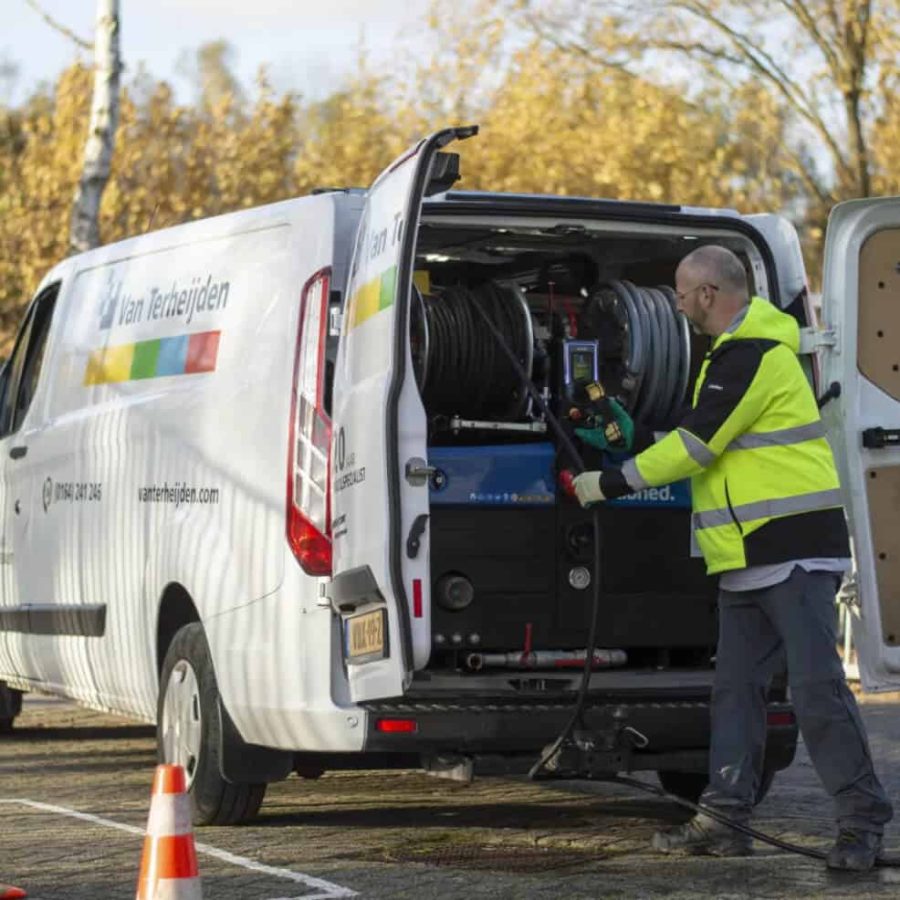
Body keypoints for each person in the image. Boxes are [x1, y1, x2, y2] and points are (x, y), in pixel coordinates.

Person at [572, 245, 893, 872]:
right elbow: (709, 438)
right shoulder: (727, 357)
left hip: (793, 551)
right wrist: (635, 439)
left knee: (817, 692)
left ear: (709, 294)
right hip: (747, 557)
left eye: (681, 293)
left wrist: (608, 482)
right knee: (736, 694)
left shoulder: (754, 354)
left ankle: (862, 823)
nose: (677, 304)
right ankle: (725, 820)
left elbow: (696, 446)